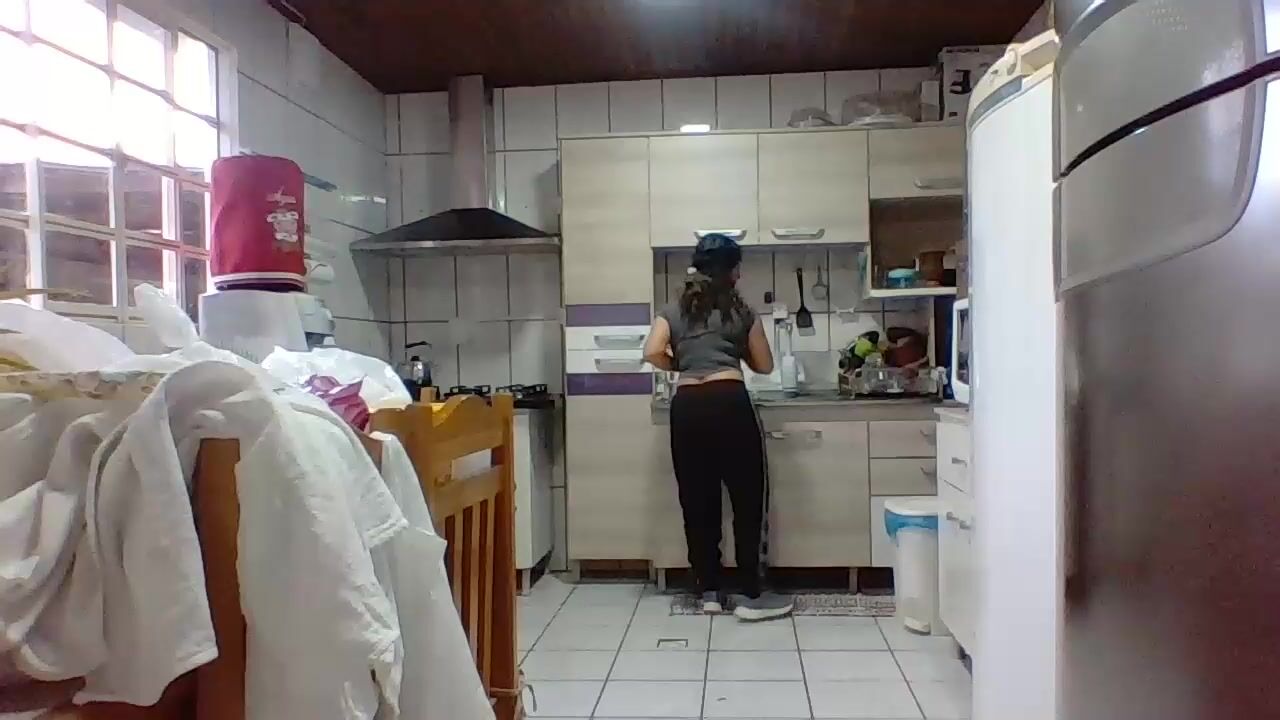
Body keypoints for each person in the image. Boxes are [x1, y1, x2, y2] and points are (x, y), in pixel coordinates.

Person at [643, 233, 794, 621]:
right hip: (729, 401)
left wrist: (683, 364)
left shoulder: (673, 309)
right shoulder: (741, 311)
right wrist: (736, 352)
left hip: (688, 406)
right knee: (747, 498)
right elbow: (765, 365)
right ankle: (749, 591)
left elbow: (651, 351)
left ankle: (709, 591)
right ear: (734, 272)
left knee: (697, 500)